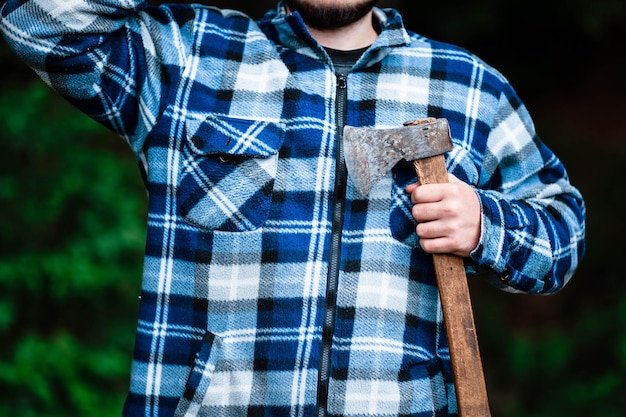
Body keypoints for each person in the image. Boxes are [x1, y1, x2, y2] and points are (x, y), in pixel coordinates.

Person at [0, 1, 586, 416]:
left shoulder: (468, 86)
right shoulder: (186, 57)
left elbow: (563, 229)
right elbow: (36, 20)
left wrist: (487, 225)